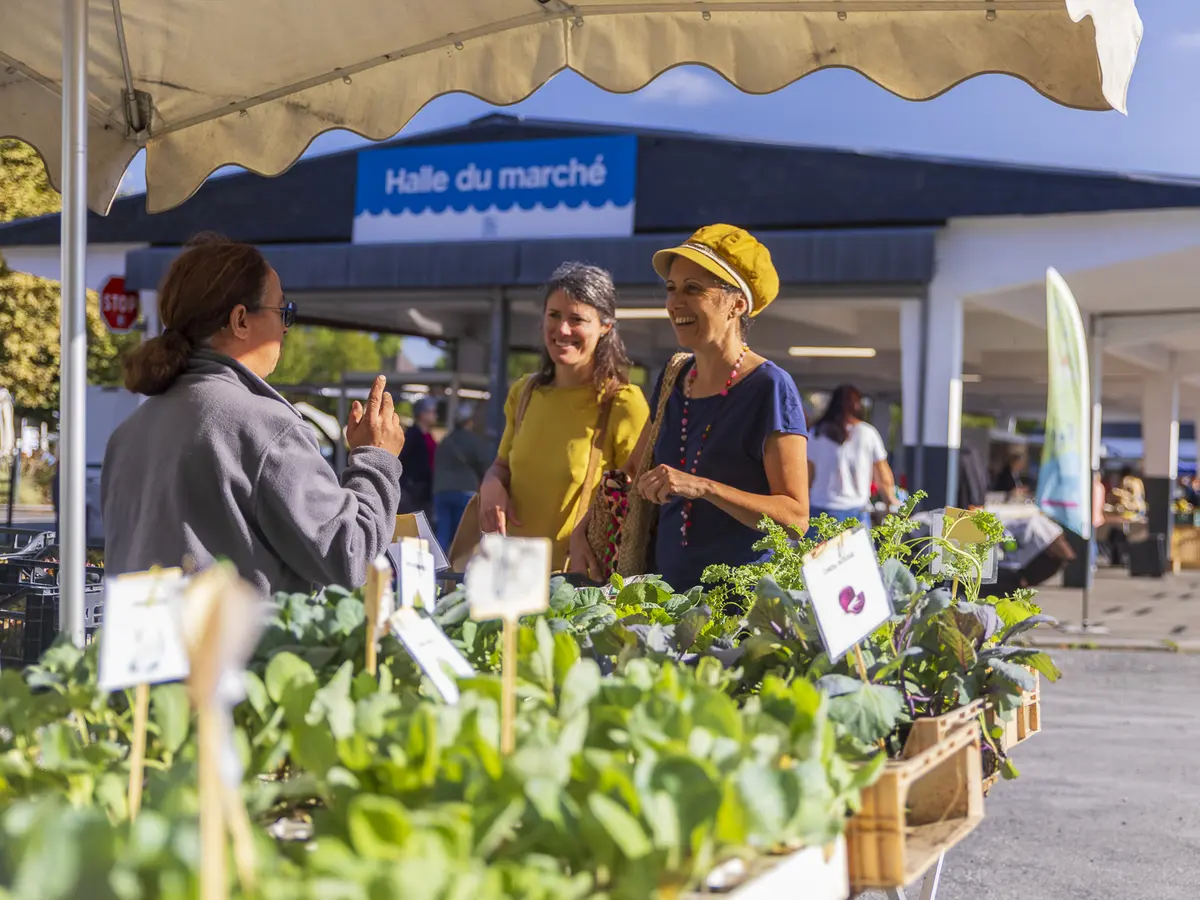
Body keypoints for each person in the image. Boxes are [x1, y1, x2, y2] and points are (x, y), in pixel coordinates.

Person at [101, 235, 405, 596]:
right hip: (237, 651)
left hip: (142, 649)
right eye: (283, 311)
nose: (286, 328)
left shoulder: (129, 433)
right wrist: (376, 458)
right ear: (241, 320)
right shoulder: (265, 425)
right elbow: (352, 556)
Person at [574, 224, 809, 590]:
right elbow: (634, 469)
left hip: (738, 609)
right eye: (671, 289)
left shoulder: (770, 387)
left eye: (693, 289)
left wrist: (702, 487)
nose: (674, 302)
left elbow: (795, 518)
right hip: (664, 599)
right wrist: (586, 527)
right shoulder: (675, 375)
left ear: (737, 303)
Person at [477, 263, 649, 572]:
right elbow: (502, 466)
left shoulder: (622, 403)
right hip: (510, 576)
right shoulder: (524, 393)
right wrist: (490, 484)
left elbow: (635, 500)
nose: (563, 330)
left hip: (577, 586)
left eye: (577, 319)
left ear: (605, 326)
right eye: (554, 315)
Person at [806, 384, 897, 526]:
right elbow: (882, 473)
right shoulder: (867, 433)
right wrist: (889, 501)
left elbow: (807, 474)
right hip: (856, 511)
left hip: (820, 510)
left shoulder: (816, 433)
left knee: (817, 548)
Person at [432, 402, 491, 551]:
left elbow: (436, 462)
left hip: (442, 489)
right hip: (465, 491)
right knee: (463, 535)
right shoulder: (473, 441)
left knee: (442, 532)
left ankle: (439, 569)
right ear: (469, 421)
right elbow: (484, 465)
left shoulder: (446, 440)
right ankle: (458, 570)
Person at [398, 396, 438, 519]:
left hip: (426, 488)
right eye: (431, 411)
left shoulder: (427, 435)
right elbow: (402, 457)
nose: (435, 415)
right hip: (414, 487)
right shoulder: (412, 435)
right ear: (422, 414)